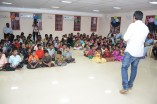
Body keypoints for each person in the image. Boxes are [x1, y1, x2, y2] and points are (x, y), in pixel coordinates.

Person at [120, 11, 149, 94]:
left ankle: (125, 87)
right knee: (134, 68)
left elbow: (125, 38)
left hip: (130, 51)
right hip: (139, 52)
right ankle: (130, 84)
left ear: (134, 17)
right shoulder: (146, 28)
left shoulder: (132, 25)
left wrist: (127, 39)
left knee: (124, 68)